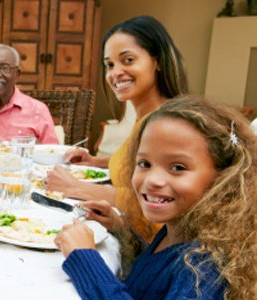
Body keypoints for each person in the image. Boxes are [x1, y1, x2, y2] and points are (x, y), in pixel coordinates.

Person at [54, 96, 257, 299]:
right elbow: (153, 278)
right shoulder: (178, 228)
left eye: (178, 167)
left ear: (224, 178)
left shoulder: (205, 268)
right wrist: (121, 229)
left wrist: (84, 259)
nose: (152, 180)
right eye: (144, 164)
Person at [45, 15, 188, 241]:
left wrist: (75, 186)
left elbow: (154, 200)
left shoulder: (165, 124)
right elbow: (137, 163)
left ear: (157, 60)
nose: (115, 73)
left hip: (152, 249)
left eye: (128, 60)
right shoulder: (148, 118)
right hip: (127, 230)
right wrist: (96, 161)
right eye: (109, 65)